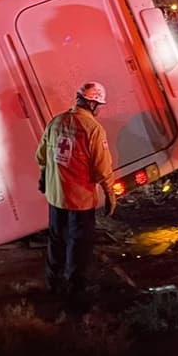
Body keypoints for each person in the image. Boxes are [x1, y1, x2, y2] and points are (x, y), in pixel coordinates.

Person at [37, 83, 117, 312]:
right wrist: (110, 192)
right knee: (78, 244)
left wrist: (44, 177)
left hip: (56, 197)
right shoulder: (93, 129)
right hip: (80, 200)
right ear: (92, 104)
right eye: (98, 105)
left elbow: (42, 154)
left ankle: (53, 284)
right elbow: (102, 167)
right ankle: (74, 292)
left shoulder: (56, 122)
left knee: (56, 239)